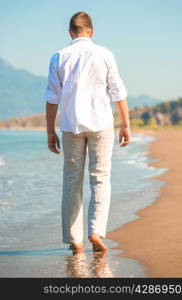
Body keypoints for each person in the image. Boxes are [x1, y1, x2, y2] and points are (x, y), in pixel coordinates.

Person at [44, 11, 131, 253]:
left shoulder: (58, 57)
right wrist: (126, 124)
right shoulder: (104, 54)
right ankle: (95, 232)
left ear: (70, 32)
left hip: (71, 127)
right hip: (101, 125)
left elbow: (52, 98)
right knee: (100, 178)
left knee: (72, 182)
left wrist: (50, 131)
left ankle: (75, 241)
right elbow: (118, 92)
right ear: (91, 31)